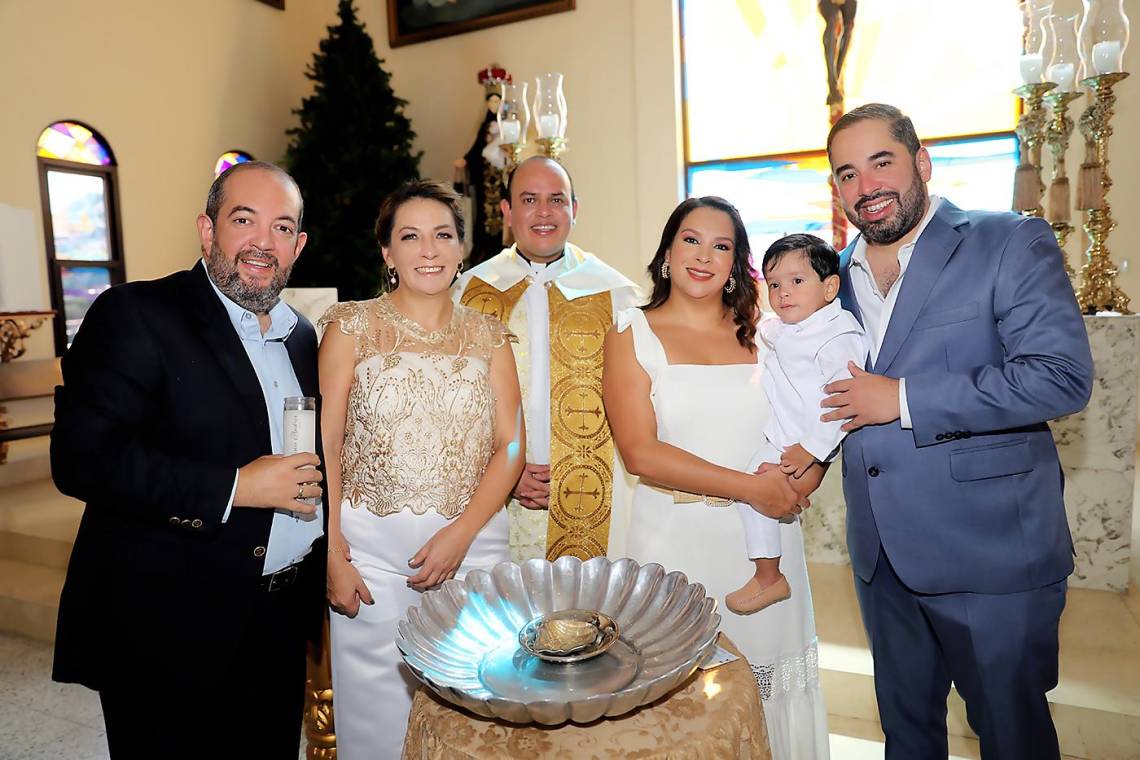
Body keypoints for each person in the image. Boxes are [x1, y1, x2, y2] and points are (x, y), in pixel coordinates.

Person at [822, 102, 1093, 759]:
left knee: (1011, 737)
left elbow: (1061, 377)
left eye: (881, 162)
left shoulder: (1006, 240)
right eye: (848, 174)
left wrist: (905, 399)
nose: (867, 186)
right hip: (881, 556)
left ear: (921, 161)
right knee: (908, 736)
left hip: (991, 554)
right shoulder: (834, 278)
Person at [51, 161, 327, 758]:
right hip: (166, 626)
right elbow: (82, 459)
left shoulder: (303, 335)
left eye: (282, 227)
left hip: (277, 622)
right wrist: (234, 486)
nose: (263, 242)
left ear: (298, 246)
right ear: (207, 231)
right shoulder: (135, 314)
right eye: (243, 220)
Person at [603, 196, 831, 760]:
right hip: (674, 544)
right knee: (678, 709)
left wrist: (810, 473)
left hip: (767, 548)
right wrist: (752, 487)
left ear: (737, 262)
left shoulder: (770, 332)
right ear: (667, 252)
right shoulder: (632, 332)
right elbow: (641, 453)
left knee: (769, 693)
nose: (704, 256)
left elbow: (819, 407)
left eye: (721, 246)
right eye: (691, 240)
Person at [320, 180, 523, 760]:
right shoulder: (350, 327)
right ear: (387, 252)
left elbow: (509, 445)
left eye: (442, 235)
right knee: (377, 712)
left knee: (478, 703)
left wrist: (462, 535)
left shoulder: (489, 334)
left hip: (474, 542)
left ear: (463, 248)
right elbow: (326, 444)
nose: (428, 250)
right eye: (410, 236)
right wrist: (332, 550)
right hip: (368, 551)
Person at [453, 156, 641, 562]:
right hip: (489, 496)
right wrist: (504, 474)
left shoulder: (618, 295)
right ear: (506, 211)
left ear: (575, 208)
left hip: (591, 494)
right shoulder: (468, 293)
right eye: (528, 199)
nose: (543, 212)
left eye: (556, 199)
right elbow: (450, 405)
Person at [726, 233, 866, 616]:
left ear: (830, 287)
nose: (783, 292)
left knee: (757, 495)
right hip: (780, 435)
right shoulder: (782, 327)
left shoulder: (838, 335)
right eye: (774, 284)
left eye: (797, 281)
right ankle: (768, 574)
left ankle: (769, 577)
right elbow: (760, 331)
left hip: (807, 441)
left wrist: (813, 451)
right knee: (749, 493)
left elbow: (846, 401)